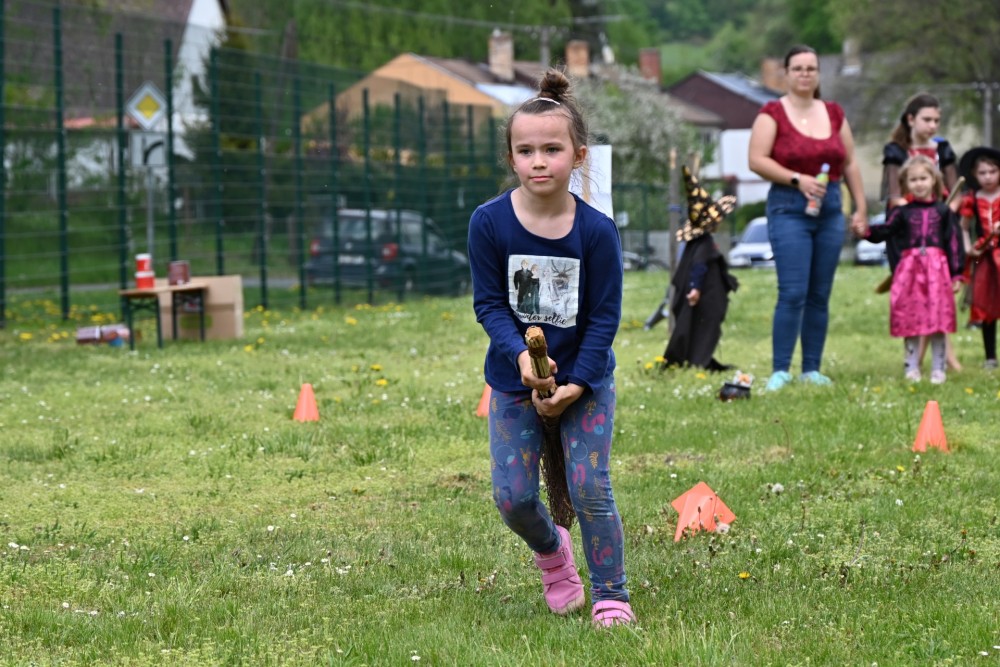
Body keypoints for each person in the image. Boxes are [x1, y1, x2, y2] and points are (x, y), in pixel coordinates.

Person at [467, 69, 634, 627]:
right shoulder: (488, 223)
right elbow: (490, 305)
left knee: (590, 487)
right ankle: (554, 554)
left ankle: (611, 594)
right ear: (511, 158)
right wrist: (520, 357)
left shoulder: (597, 231)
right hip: (514, 380)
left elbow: (605, 317)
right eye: (526, 151)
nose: (538, 161)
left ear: (578, 156)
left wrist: (577, 384)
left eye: (552, 149)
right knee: (512, 498)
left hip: (586, 379)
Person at [747, 44, 868, 391]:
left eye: (811, 68)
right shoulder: (772, 113)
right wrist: (797, 179)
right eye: (798, 68)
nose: (805, 74)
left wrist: (860, 208)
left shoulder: (833, 113)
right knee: (793, 291)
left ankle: (811, 369)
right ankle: (780, 370)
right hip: (789, 208)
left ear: (818, 73)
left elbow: (850, 162)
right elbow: (757, 160)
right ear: (786, 74)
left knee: (819, 293)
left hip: (830, 209)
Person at [852, 155, 965, 383]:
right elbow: (885, 230)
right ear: (905, 183)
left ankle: (938, 368)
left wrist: (956, 274)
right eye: (913, 180)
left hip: (937, 271)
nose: (919, 183)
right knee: (911, 318)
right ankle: (911, 367)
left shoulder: (943, 212)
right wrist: (866, 231)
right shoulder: (901, 212)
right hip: (910, 272)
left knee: (938, 319)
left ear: (934, 180)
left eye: (923, 178)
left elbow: (954, 243)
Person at [881, 93, 962, 370]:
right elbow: (894, 196)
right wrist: (916, 211)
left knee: (939, 294)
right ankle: (914, 360)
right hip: (907, 233)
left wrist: (944, 213)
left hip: (938, 231)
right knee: (912, 296)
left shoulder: (943, 149)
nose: (933, 125)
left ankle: (944, 356)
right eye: (927, 119)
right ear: (911, 119)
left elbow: (955, 193)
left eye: (937, 120)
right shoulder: (896, 151)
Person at [662, 165, 739, 370]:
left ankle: (699, 358)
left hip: (703, 294)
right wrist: (695, 288)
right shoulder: (703, 244)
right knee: (703, 326)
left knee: (698, 326)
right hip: (704, 295)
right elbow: (699, 266)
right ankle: (698, 360)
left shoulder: (695, 243)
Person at [957, 146, 1000, 370]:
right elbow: (963, 228)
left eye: (992, 171)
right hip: (984, 259)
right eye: (982, 173)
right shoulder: (972, 199)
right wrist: (969, 249)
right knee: (986, 305)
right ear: (975, 174)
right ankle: (990, 356)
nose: (988, 177)